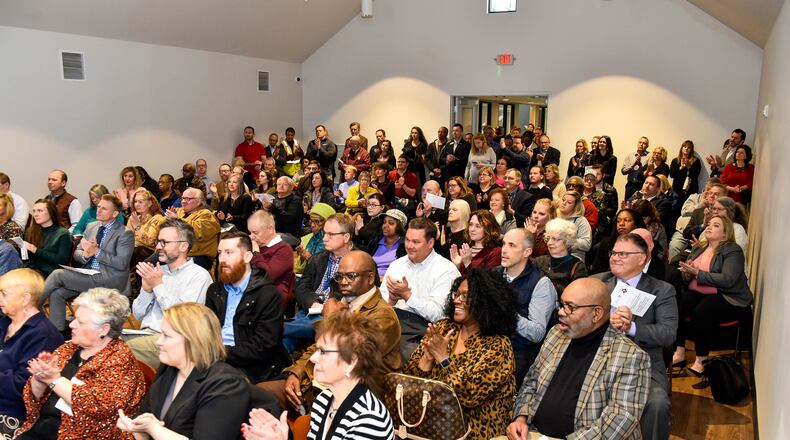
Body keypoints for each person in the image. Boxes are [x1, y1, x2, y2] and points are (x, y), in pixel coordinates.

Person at [261, 251, 402, 417]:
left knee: (259, 397)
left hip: (356, 396)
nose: (343, 282)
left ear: (370, 278)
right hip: (320, 384)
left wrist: (330, 319)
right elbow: (320, 347)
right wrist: (295, 373)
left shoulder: (383, 316)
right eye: (339, 276)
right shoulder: (344, 303)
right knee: (257, 396)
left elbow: (346, 357)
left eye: (351, 276)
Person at [508, 278, 650, 440]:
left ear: (596, 313)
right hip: (535, 434)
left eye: (570, 307)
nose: (561, 312)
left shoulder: (630, 355)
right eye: (562, 305)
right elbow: (531, 381)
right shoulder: (556, 334)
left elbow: (620, 420)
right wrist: (521, 418)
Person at [16, 288, 146, 439]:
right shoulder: (69, 348)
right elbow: (35, 397)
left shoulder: (120, 360)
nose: (71, 325)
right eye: (74, 318)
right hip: (40, 428)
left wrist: (54, 380)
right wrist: (39, 378)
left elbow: (97, 406)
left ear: (104, 329)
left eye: (81, 322)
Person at [243, 312, 394, 440]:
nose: (313, 358)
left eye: (323, 351)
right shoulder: (324, 400)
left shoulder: (369, 419)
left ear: (352, 361)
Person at [405, 268, 517, 439]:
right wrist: (427, 359)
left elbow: (469, 396)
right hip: (430, 425)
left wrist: (443, 359)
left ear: (485, 301)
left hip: (474, 431)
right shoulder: (444, 328)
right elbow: (409, 383)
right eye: (456, 295)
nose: (457, 300)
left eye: (465, 296)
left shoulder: (498, 345)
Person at [117, 303, 251, 440]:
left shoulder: (226, 385)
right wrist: (136, 428)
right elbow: (146, 420)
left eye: (166, 336)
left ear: (193, 341)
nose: (158, 342)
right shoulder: (169, 369)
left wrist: (154, 429)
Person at [592, 233, 678, 440]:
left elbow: (668, 334)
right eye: (613, 253)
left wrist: (632, 328)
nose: (614, 257)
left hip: (643, 364)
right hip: (598, 360)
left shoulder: (662, 290)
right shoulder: (596, 283)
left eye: (622, 254)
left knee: (657, 404)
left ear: (641, 258)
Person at [40, 195, 134, 335]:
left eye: (104, 208)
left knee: (58, 274)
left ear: (114, 214)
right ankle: (57, 334)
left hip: (110, 279)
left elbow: (121, 263)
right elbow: (77, 252)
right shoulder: (92, 226)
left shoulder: (124, 233)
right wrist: (85, 255)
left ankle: (30, 307)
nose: (99, 210)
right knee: (57, 293)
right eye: (98, 207)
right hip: (89, 275)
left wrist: (96, 252)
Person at [205, 230, 290, 383]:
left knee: (214, 383)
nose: (222, 259)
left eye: (229, 252)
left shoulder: (267, 294)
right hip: (215, 358)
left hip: (253, 367)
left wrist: (221, 353)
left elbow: (264, 346)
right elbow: (206, 331)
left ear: (247, 257)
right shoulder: (215, 290)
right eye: (219, 253)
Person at [128, 218, 212, 368]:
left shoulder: (199, 276)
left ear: (183, 246)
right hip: (146, 334)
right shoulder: (159, 271)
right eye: (158, 241)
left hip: (173, 340)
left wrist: (158, 285)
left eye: (164, 242)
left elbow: (182, 321)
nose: (158, 247)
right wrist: (146, 290)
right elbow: (138, 315)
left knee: (116, 350)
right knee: (100, 338)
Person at [675, 215, 753, 376]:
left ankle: (701, 359)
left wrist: (698, 273)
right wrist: (688, 273)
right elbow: (686, 277)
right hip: (699, 291)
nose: (709, 227)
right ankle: (679, 351)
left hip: (727, 296)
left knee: (701, 312)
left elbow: (728, 280)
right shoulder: (699, 247)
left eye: (716, 225)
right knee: (677, 304)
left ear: (725, 233)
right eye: (709, 224)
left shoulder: (732, 249)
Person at [380, 217, 460, 361]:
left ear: (430, 243)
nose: (409, 246)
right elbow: (380, 303)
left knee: (391, 353)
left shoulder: (446, 270)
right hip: (391, 322)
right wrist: (391, 299)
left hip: (424, 331)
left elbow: (439, 315)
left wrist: (407, 296)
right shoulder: (397, 265)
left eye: (416, 242)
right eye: (408, 240)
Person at [0, 269, 63, 439]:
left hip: (13, 414)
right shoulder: (5, 323)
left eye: (4, 294)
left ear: (25, 299)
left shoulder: (43, 335)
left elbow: (24, 386)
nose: (0, 299)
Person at [495, 228, 557, 386]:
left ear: (526, 252)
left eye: (511, 245)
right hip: (488, 345)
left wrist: (508, 313)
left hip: (518, 354)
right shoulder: (494, 275)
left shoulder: (541, 283)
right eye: (503, 244)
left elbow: (537, 332)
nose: (504, 250)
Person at [288, 214, 356, 353]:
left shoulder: (359, 262)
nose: (324, 238)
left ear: (346, 237)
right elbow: (302, 287)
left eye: (331, 235)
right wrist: (314, 302)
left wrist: (328, 307)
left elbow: (355, 296)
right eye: (325, 233)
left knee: (286, 331)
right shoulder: (318, 258)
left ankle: (275, 327)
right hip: (310, 309)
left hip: (337, 317)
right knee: (287, 337)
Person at [165, 187, 221, 270]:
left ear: (199, 201)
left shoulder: (207, 215)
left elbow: (194, 232)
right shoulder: (179, 211)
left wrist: (177, 220)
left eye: (188, 199)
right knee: (150, 263)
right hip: (177, 251)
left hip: (198, 255)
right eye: (183, 198)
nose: (183, 201)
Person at [247, 210, 295, 306]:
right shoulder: (256, 245)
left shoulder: (284, 249)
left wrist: (256, 254)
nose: (251, 237)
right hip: (252, 295)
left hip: (271, 302)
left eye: (255, 232)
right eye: (250, 232)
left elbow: (267, 276)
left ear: (270, 229)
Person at [532, 218, 588, 297]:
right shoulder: (539, 261)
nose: (550, 243)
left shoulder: (577, 267)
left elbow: (578, 296)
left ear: (567, 241)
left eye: (555, 239)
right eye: (548, 238)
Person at [21, 200, 72, 278]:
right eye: (34, 211)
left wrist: (36, 250)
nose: (36, 214)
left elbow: (62, 260)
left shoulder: (63, 233)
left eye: (40, 211)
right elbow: (27, 259)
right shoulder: (30, 231)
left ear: (51, 212)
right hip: (32, 272)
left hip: (52, 274)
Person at [591, 208, 647, 274]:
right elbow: (597, 269)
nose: (621, 224)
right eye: (618, 221)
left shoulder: (646, 243)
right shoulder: (606, 242)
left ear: (636, 223)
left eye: (627, 220)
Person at [126, 188, 166, 268]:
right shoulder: (134, 217)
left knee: (134, 252)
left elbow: (150, 242)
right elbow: (127, 238)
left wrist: (137, 227)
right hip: (133, 249)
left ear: (150, 203)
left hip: (148, 251)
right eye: (135, 202)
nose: (137, 204)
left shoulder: (157, 218)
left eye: (140, 202)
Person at [295, 203, 336, 274]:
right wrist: (302, 258)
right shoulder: (307, 238)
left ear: (328, 222)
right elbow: (299, 269)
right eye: (311, 221)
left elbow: (330, 272)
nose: (312, 225)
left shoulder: (335, 242)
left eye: (317, 221)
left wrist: (311, 259)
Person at [555, 191, 592, 261]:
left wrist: (568, 242)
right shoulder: (553, 215)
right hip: (552, 254)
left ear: (575, 207)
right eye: (563, 200)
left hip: (573, 257)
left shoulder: (581, 220)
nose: (564, 203)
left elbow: (586, 244)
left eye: (569, 202)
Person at [369, 209, 407, 276]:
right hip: (374, 281)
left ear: (399, 227)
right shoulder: (375, 242)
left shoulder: (404, 245)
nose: (385, 226)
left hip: (395, 282)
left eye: (391, 223)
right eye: (384, 222)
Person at [669, 140, 702, 204]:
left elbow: (695, 175)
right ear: (681, 148)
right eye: (685, 147)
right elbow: (671, 175)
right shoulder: (675, 160)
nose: (686, 149)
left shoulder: (696, 161)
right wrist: (681, 168)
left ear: (691, 150)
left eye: (689, 147)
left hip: (691, 190)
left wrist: (689, 167)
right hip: (677, 190)